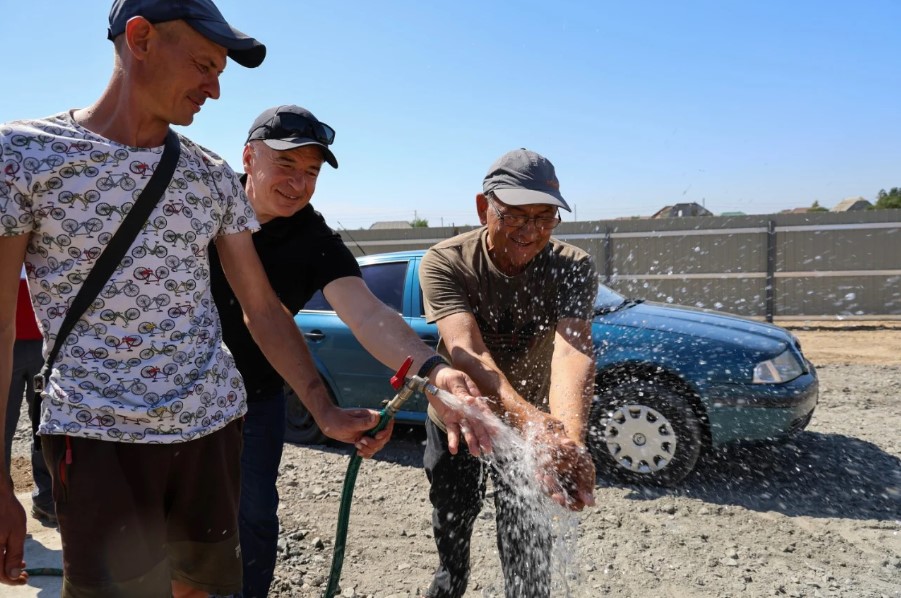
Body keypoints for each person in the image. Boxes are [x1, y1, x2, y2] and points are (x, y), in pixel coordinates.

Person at [0, 1, 482, 595]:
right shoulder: (24, 155)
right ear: (140, 38)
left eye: (221, 71)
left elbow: (272, 310)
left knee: (215, 572)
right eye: (205, 64)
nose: (216, 89)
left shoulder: (209, 177)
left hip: (214, 426)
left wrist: (349, 400)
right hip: (97, 437)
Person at [208, 104, 495, 598]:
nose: (299, 184)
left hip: (255, 395)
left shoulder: (312, 238)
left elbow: (368, 314)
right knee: (164, 522)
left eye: (311, 172)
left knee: (251, 521)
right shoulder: (200, 204)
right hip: (170, 384)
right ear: (248, 157)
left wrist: (432, 371)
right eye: (286, 165)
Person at [418, 148, 599, 598]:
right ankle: (449, 585)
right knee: (452, 526)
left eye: (545, 217)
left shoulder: (571, 265)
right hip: (462, 421)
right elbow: (468, 351)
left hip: (533, 431)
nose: (532, 231)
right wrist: (536, 424)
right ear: (485, 207)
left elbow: (571, 351)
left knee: (528, 550)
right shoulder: (446, 261)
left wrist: (568, 442)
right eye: (517, 216)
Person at [2, 268, 53, 525]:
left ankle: (47, 500)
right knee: (2, 428)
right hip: (4, 343)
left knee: (45, 428)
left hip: (45, 343)